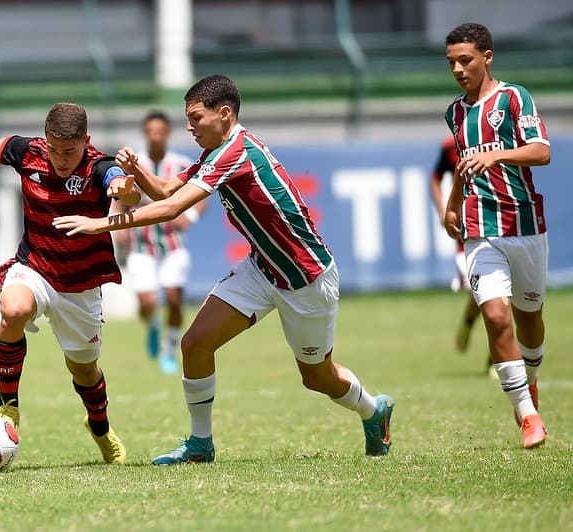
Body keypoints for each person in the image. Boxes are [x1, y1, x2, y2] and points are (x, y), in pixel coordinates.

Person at [53, 75, 394, 464]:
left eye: (196, 117)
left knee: (318, 378)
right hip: (261, 269)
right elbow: (166, 190)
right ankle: (201, 444)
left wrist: (102, 224)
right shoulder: (217, 152)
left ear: (225, 114)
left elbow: (171, 208)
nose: (189, 126)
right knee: (195, 344)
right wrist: (137, 170)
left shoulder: (236, 152)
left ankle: (373, 409)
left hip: (305, 278)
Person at [0, 102, 140, 464]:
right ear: (44, 140)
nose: (61, 159)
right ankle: (8, 407)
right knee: (13, 309)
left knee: (84, 369)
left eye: (69, 151)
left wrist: (123, 190)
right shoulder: (29, 152)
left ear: (87, 141)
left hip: (79, 285)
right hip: (34, 266)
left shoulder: (99, 166)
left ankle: (99, 426)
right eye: (54, 149)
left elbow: (124, 189)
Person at [443, 23, 550, 449]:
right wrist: (453, 202)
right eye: (451, 62)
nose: (457, 69)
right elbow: (463, 163)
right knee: (496, 315)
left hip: (524, 227)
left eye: (465, 60)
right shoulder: (454, 113)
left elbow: (541, 151)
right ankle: (527, 415)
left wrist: (498, 153)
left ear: (487, 57)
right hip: (480, 230)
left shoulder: (513, 98)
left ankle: (532, 381)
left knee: (531, 320)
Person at [114, 110, 206, 374]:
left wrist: (189, 216)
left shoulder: (179, 165)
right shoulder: (135, 164)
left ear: (167, 133)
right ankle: (153, 324)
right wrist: (119, 222)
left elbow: (201, 197)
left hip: (172, 244)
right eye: (150, 131)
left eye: (160, 131)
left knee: (175, 299)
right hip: (141, 245)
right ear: (145, 133)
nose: (155, 136)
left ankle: (169, 348)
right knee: (146, 302)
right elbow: (119, 195)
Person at [429, 136, 487, 369]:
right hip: (468, 234)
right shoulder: (450, 146)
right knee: (484, 295)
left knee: (500, 298)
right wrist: (444, 210)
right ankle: (469, 321)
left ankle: (496, 360)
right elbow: (434, 179)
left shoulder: (499, 135)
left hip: (501, 227)